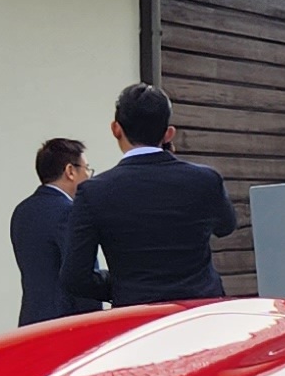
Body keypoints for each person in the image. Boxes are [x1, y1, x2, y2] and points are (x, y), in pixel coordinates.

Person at [65, 83, 237, 305]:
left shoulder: (93, 192)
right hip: (199, 310)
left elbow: (75, 277)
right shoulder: (206, 180)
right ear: (168, 134)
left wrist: (122, 285)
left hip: (137, 314)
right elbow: (226, 227)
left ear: (116, 129)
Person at [9, 136, 101, 326]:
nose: (89, 176)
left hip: (31, 321)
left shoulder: (22, 211)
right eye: (86, 169)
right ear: (70, 171)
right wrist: (95, 323)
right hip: (67, 324)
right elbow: (82, 275)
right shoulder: (70, 213)